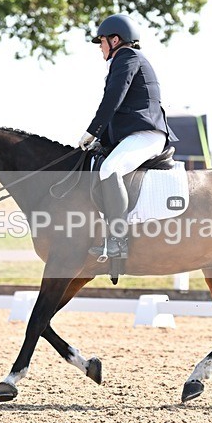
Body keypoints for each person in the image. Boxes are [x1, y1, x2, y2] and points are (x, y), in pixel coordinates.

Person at [79, 14, 178, 261]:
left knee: (110, 169)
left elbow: (114, 99)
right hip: (134, 134)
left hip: (146, 134)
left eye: (101, 41)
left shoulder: (127, 58)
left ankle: (117, 239)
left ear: (115, 40)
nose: (100, 47)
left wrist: (93, 131)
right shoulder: (125, 60)